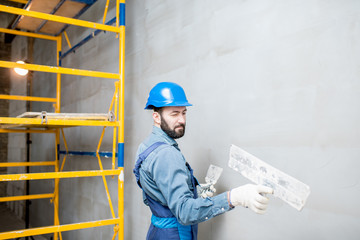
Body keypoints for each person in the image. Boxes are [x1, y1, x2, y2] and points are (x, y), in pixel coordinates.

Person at [133, 82, 273, 240]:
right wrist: (233, 197)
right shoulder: (166, 154)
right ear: (156, 117)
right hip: (174, 234)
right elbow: (185, 213)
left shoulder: (146, 146)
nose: (182, 120)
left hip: (157, 232)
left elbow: (157, 191)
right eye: (174, 114)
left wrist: (194, 193)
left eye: (184, 113)